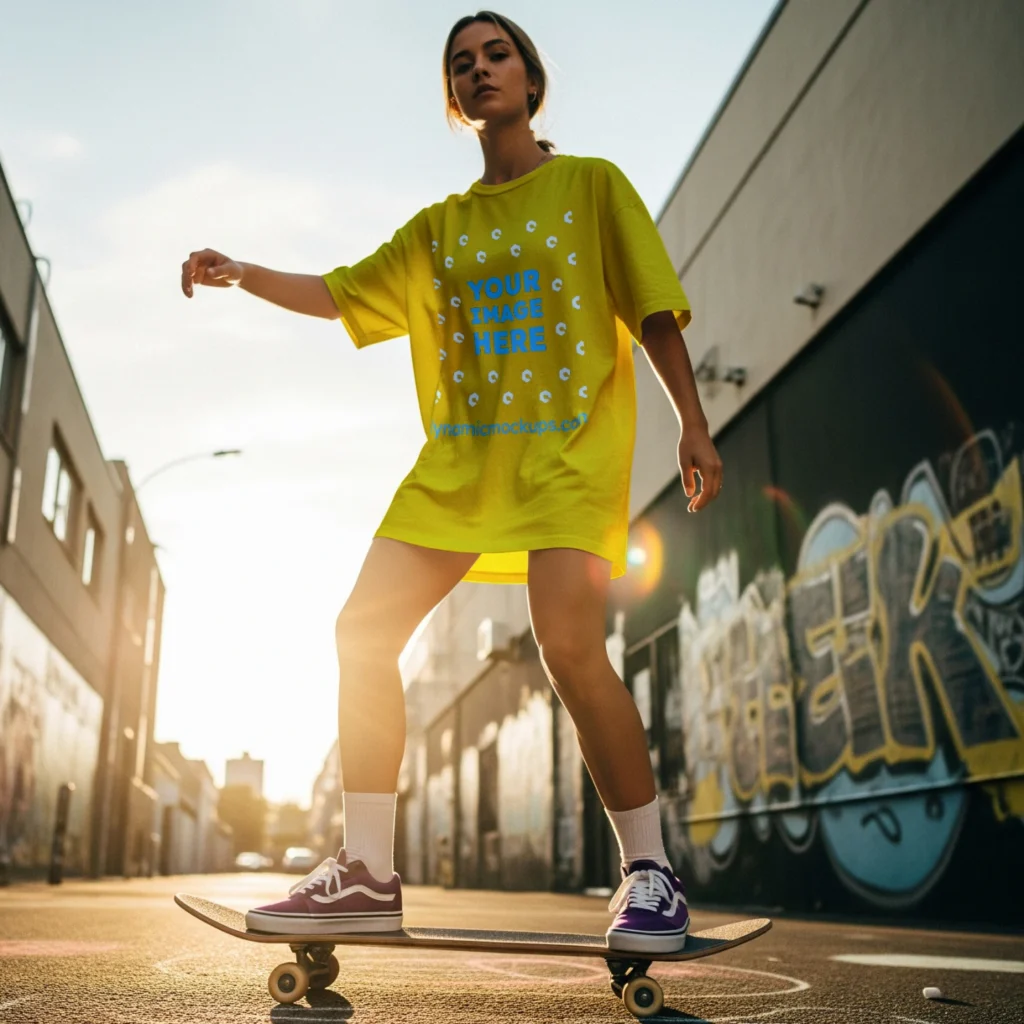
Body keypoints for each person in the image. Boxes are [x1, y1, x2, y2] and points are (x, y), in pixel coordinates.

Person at [180, 10, 722, 955]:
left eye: (496, 55)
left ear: (530, 77)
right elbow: (342, 292)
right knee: (360, 629)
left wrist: (693, 423)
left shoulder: (593, 187)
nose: (480, 72)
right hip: (460, 467)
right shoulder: (441, 229)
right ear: (454, 97)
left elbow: (654, 311)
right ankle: (367, 872)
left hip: (564, 458)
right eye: (461, 65)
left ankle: (650, 874)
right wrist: (243, 272)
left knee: (566, 645)